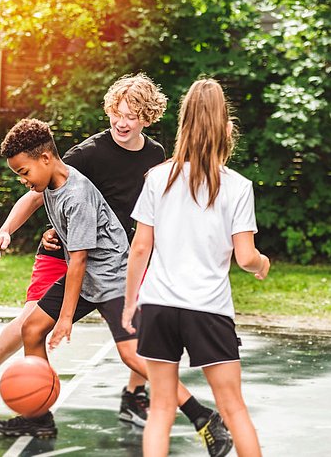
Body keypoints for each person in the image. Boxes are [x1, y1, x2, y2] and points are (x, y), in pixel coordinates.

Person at [0, 74, 229, 454]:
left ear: (146, 117)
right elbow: (44, 196)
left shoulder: (150, 156)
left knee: (133, 352)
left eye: (131, 114)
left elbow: (148, 206)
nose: (121, 121)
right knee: (32, 327)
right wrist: (9, 229)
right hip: (83, 256)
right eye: (116, 112)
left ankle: (202, 417)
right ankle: (33, 413)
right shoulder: (85, 155)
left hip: (110, 268)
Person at [122, 78, 270, 457]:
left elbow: (140, 247)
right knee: (234, 409)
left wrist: (129, 304)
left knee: (160, 411)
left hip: (158, 306)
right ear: (227, 129)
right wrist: (261, 263)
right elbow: (245, 256)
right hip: (207, 309)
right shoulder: (236, 186)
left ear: (182, 125)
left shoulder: (157, 178)